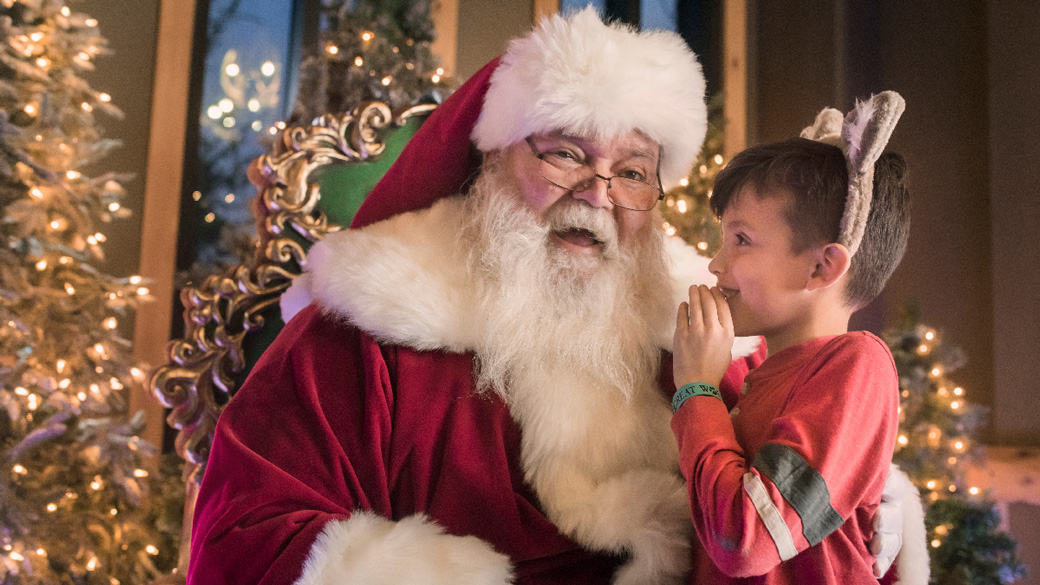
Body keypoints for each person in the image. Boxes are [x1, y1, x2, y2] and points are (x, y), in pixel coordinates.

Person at [187, 9, 913, 585]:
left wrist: (875, 506)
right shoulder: (358, 341)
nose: (598, 194)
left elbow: (782, 477)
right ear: (491, 164)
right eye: (566, 153)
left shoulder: (685, 343)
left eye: (632, 172)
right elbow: (243, 536)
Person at [670, 94, 927, 584]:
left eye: (741, 239)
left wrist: (697, 390)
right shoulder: (760, 370)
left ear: (821, 266)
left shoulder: (858, 365)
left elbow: (745, 540)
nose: (716, 264)